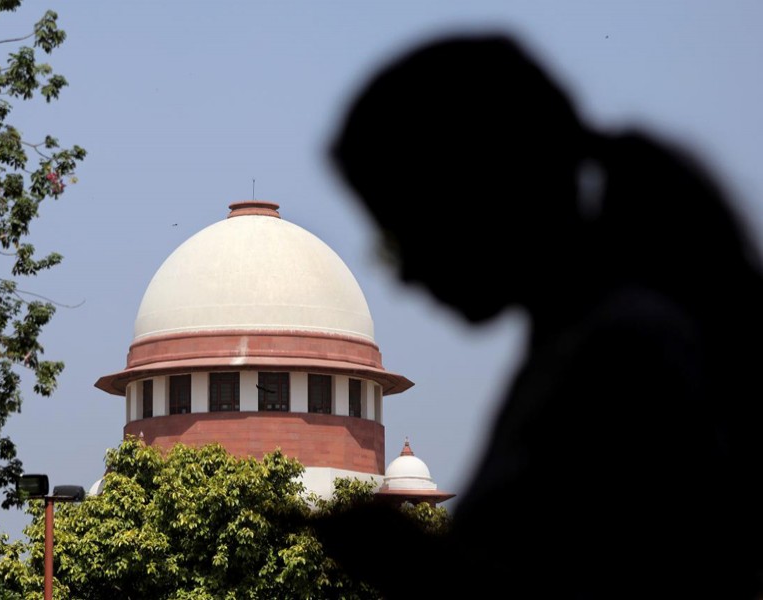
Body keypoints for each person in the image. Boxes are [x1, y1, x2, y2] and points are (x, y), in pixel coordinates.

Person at [312, 34, 763, 599]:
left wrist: (415, 567)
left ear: (478, 194)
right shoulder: (597, 340)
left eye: (403, 234)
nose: (404, 276)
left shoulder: (623, 356)